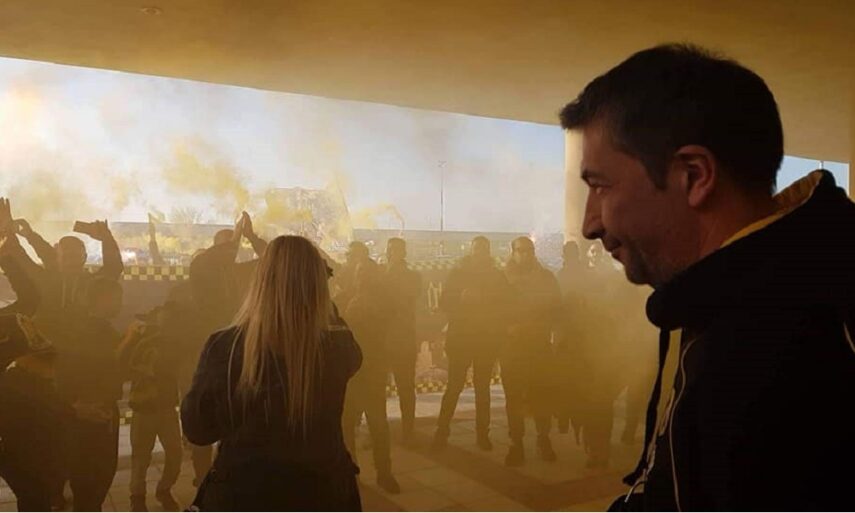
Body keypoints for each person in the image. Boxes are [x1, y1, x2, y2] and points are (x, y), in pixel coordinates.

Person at [560, 43, 855, 510]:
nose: (589, 224)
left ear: (695, 176)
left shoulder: (790, 333)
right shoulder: (735, 296)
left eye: (600, 186)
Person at [181, 236, 363, 511]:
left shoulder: (226, 346)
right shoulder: (339, 346)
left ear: (260, 282)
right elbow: (348, 347)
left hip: (246, 493)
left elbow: (197, 430)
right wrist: (320, 292)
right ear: (319, 284)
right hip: (325, 492)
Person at [432, 236, 509, 452]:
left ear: (487, 252)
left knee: (482, 389)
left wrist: (486, 301)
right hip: (461, 339)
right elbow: (444, 302)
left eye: (483, 249)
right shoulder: (458, 274)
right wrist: (461, 298)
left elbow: (505, 305)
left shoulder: (496, 276)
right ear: (471, 250)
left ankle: (482, 433)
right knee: (454, 386)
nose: (480, 253)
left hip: (485, 340)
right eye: (477, 249)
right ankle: (442, 430)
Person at [55, 278, 124, 511]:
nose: (120, 304)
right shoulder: (92, 331)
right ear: (103, 298)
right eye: (117, 298)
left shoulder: (86, 329)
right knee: (93, 481)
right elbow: (110, 366)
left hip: (93, 411)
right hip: (92, 413)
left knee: (92, 484)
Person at [340, 261, 401, 494]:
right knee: (346, 425)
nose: (363, 277)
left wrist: (371, 312)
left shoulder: (384, 301)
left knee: (378, 424)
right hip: (348, 372)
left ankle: (384, 472)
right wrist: (348, 314)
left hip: (373, 369)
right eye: (360, 272)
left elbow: (392, 326)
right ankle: (349, 473)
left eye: (367, 273)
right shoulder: (344, 298)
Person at [501, 237, 561, 466]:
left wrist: (544, 325)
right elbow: (492, 311)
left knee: (542, 395)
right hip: (513, 347)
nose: (525, 254)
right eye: (521, 250)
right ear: (513, 252)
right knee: (514, 398)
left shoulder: (546, 278)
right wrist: (507, 327)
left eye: (529, 250)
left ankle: (543, 439)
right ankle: (516, 443)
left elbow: (557, 308)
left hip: (539, 346)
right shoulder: (502, 279)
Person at [117, 305, 184, 512]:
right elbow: (127, 368)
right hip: (144, 408)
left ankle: (163, 490)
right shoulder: (143, 342)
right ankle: (137, 497)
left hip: (166, 407)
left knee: (175, 453)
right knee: (141, 457)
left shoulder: (174, 343)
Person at [380, 238, 421, 445]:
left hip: (403, 339)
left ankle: (408, 431)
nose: (392, 253)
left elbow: (409, 302)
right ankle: (378, 432)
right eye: (390, 249)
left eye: (396, 249)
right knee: (377, 388)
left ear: (403, 252)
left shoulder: (411, 277)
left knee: (405, 388)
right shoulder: (380, 274)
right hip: (381, 339)